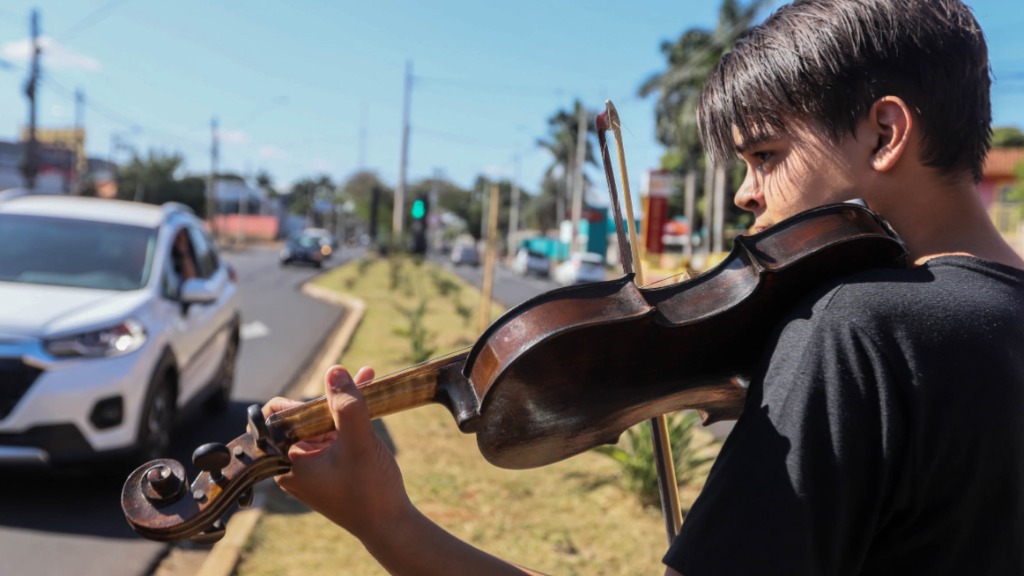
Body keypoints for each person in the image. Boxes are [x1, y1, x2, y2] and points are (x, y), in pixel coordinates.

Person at [262, 0, 1024, 573]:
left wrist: (387, 523)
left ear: (885, 133)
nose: (745, 195)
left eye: (765, 154)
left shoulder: (860, 331)